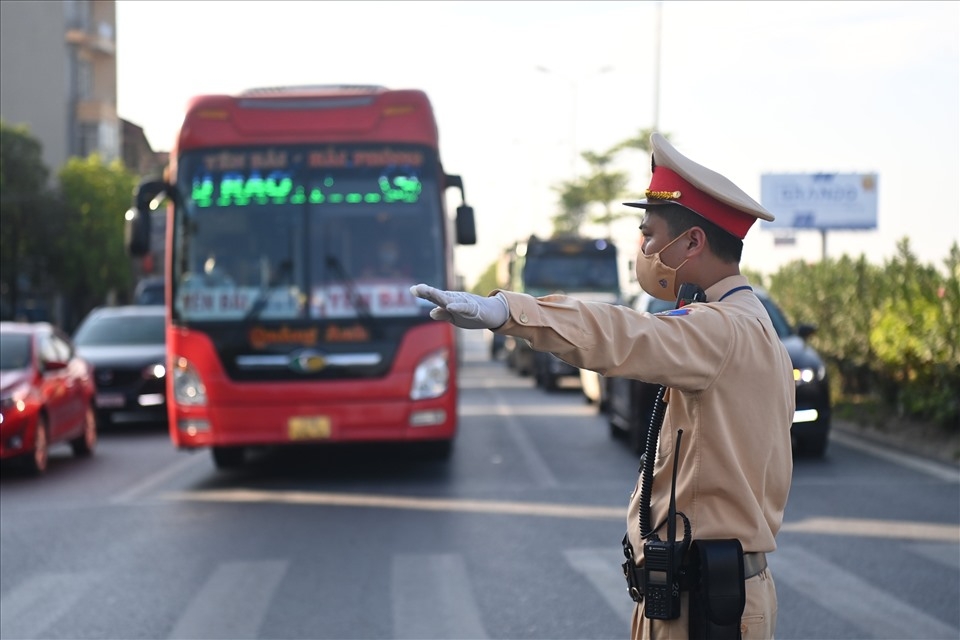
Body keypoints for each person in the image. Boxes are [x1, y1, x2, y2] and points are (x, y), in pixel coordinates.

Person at [411, 132, 794, 640]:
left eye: (651, 234)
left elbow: (621, 332)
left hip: (702, 609)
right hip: (714, 594)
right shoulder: (755, 324)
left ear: (692, 243)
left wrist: (508, 312)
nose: (646, 250)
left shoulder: (718, 328)